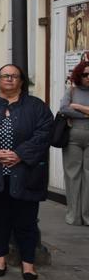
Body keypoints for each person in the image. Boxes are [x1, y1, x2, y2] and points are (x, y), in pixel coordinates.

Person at [0, 64, 52, 280]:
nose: (10, 80)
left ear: (22, 81)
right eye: (5, 76)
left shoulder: (36, 106)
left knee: (26, 220)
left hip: (26, 172)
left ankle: (28, 263)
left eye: (14, 76)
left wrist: (21, 154)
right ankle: (0, 258)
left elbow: (44, 133)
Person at [59, 60, 89, 225]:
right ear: (79, 75)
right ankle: (74, 216)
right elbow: (64, 109)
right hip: (73, 138)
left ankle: (87, 216)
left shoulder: (73, 96)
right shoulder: (71, 90)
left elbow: (70, 108)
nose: (88, 77)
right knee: (72, 176)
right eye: (85, 74)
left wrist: (77, 107)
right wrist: (86, 115)